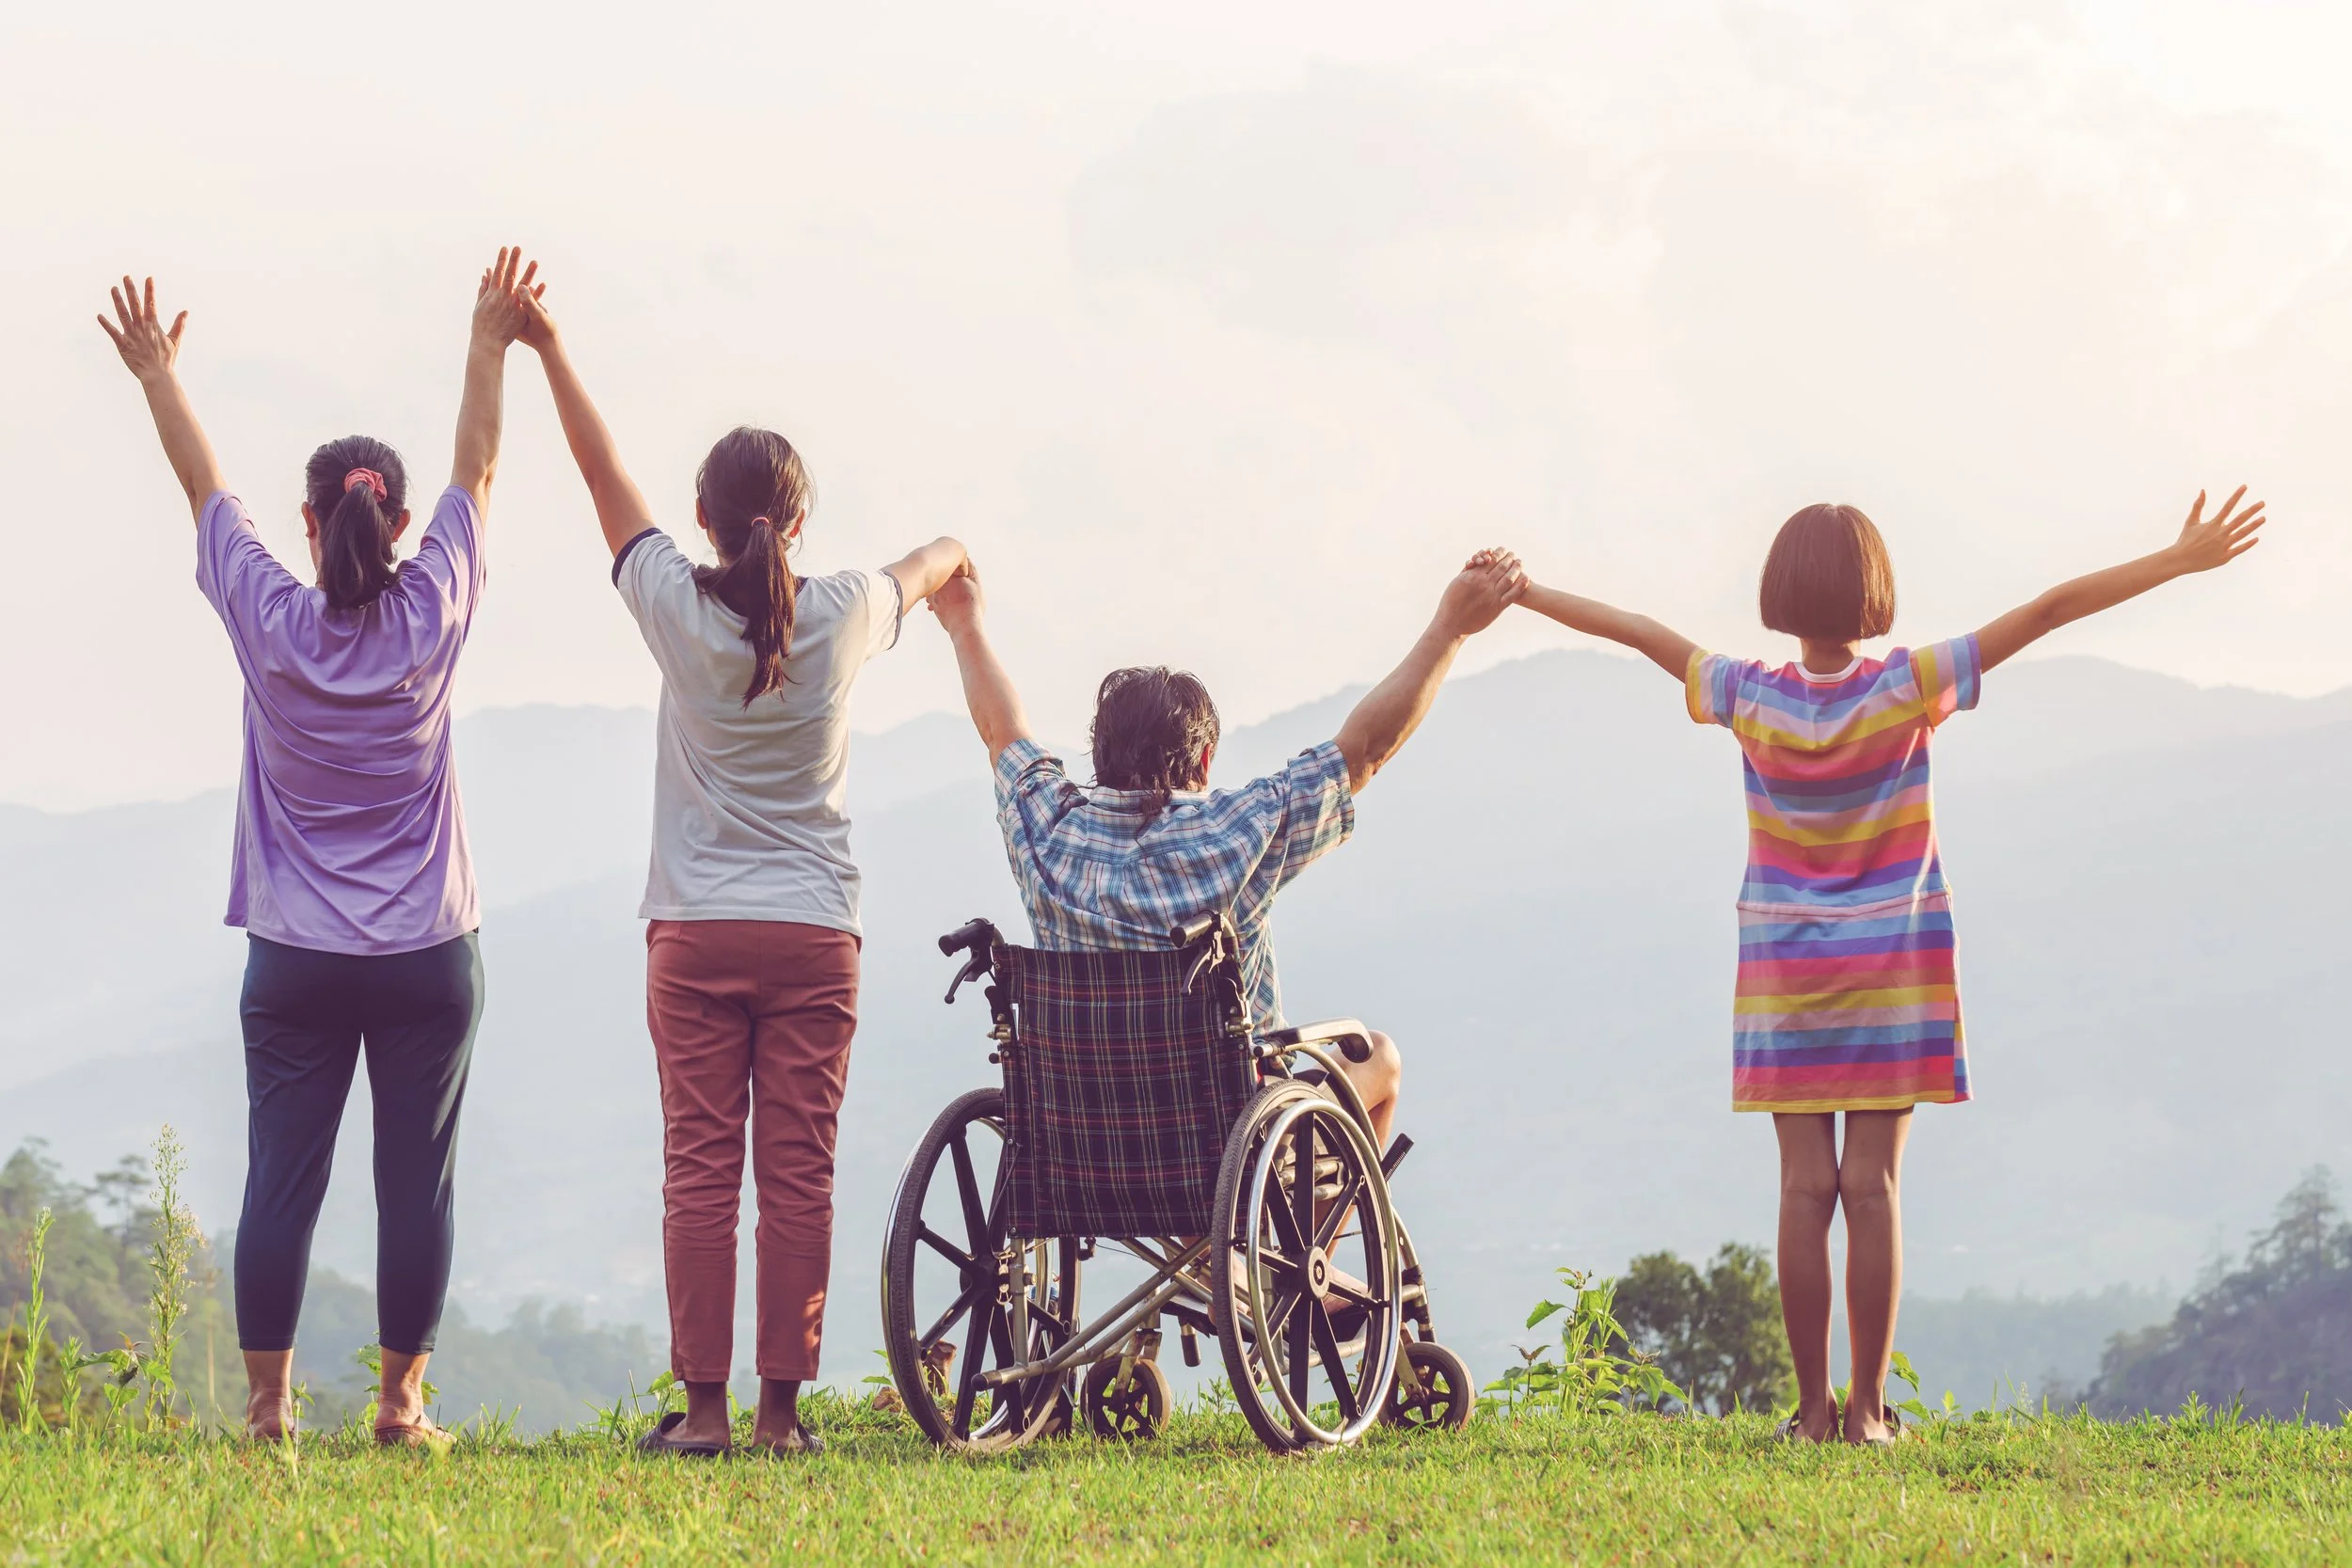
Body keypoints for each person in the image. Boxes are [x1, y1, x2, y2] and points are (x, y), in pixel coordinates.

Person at [1508, 491, 2270, 1444]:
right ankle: (1867, 1412)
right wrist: (2174, 559)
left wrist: (1526, 591)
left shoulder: (1746, 693)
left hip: (1784, 971)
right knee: (1872, 1187)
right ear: (1873, 590)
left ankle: (1812, 1412)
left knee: (1800, 1188)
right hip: (1893, 968)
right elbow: (2045, 609)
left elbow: (1636, 631)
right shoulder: (1908, 686)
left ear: (1778, 589)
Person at [96, 250, 543, 1444]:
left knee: (278, 1180)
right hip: (425, 956)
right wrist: (488, 338)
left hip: (292, 956)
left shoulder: (269, 616)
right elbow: (481, 464)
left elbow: (202, 486)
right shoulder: (437, 603)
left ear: (310, 522)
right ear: (398, 523)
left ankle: (267, 1411)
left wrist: (157, 373)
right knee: (415, 1182)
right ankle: (401, 1406)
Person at [515, 289, 970, 1458]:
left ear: (704, 522)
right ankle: (782, 1415)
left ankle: (704, 1412)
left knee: (700, 1176)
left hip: (698, 935)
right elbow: (925, 562)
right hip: (816, 934)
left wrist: (552, 345)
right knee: (798, 1179)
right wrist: (959, 561)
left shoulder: (673, 604)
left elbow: (598, 471)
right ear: (801, 518)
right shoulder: (846, 613)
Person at [928, 549, 1527, 1149]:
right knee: (1381, 1059)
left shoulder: (1049, 830)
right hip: (1225, 1142)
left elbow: (1000, 730)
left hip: (1092, 1142)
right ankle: (1310, 1242)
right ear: (1205, 759)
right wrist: (1451, 627)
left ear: (1098, 753)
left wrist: (964, 621)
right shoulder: (1239, 829)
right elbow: (1366, 749)